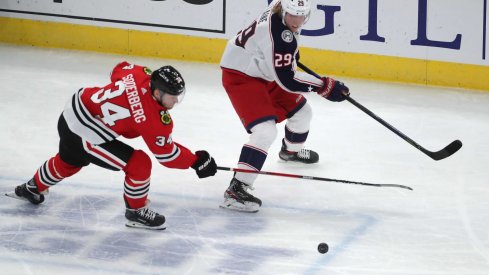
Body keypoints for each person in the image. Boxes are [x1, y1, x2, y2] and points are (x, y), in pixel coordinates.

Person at [7, 61, 217, 230]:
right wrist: (196, 161)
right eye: (173, 97)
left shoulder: (139, 73)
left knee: (68, 161)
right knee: (139, 163)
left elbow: (117, 68)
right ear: (157, 92)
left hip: (72, 110)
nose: (177, 102)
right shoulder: (152, 119)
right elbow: (167, 156)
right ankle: (135, 212)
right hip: (85, 132)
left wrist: (125, 98)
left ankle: (32, 188)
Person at [219, 0, 350, 212]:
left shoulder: (279, 9)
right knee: (265, 131)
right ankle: (237, 188)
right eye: (292, 16)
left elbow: (283, 60)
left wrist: (289, 57)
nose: (297, 21)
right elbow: (287, 81)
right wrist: (324, 86)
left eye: (302, 16)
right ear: (284, 12)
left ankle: (290, 153)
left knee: (302, 113)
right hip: (241, 75)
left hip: (260, 67)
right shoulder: (279, 36)